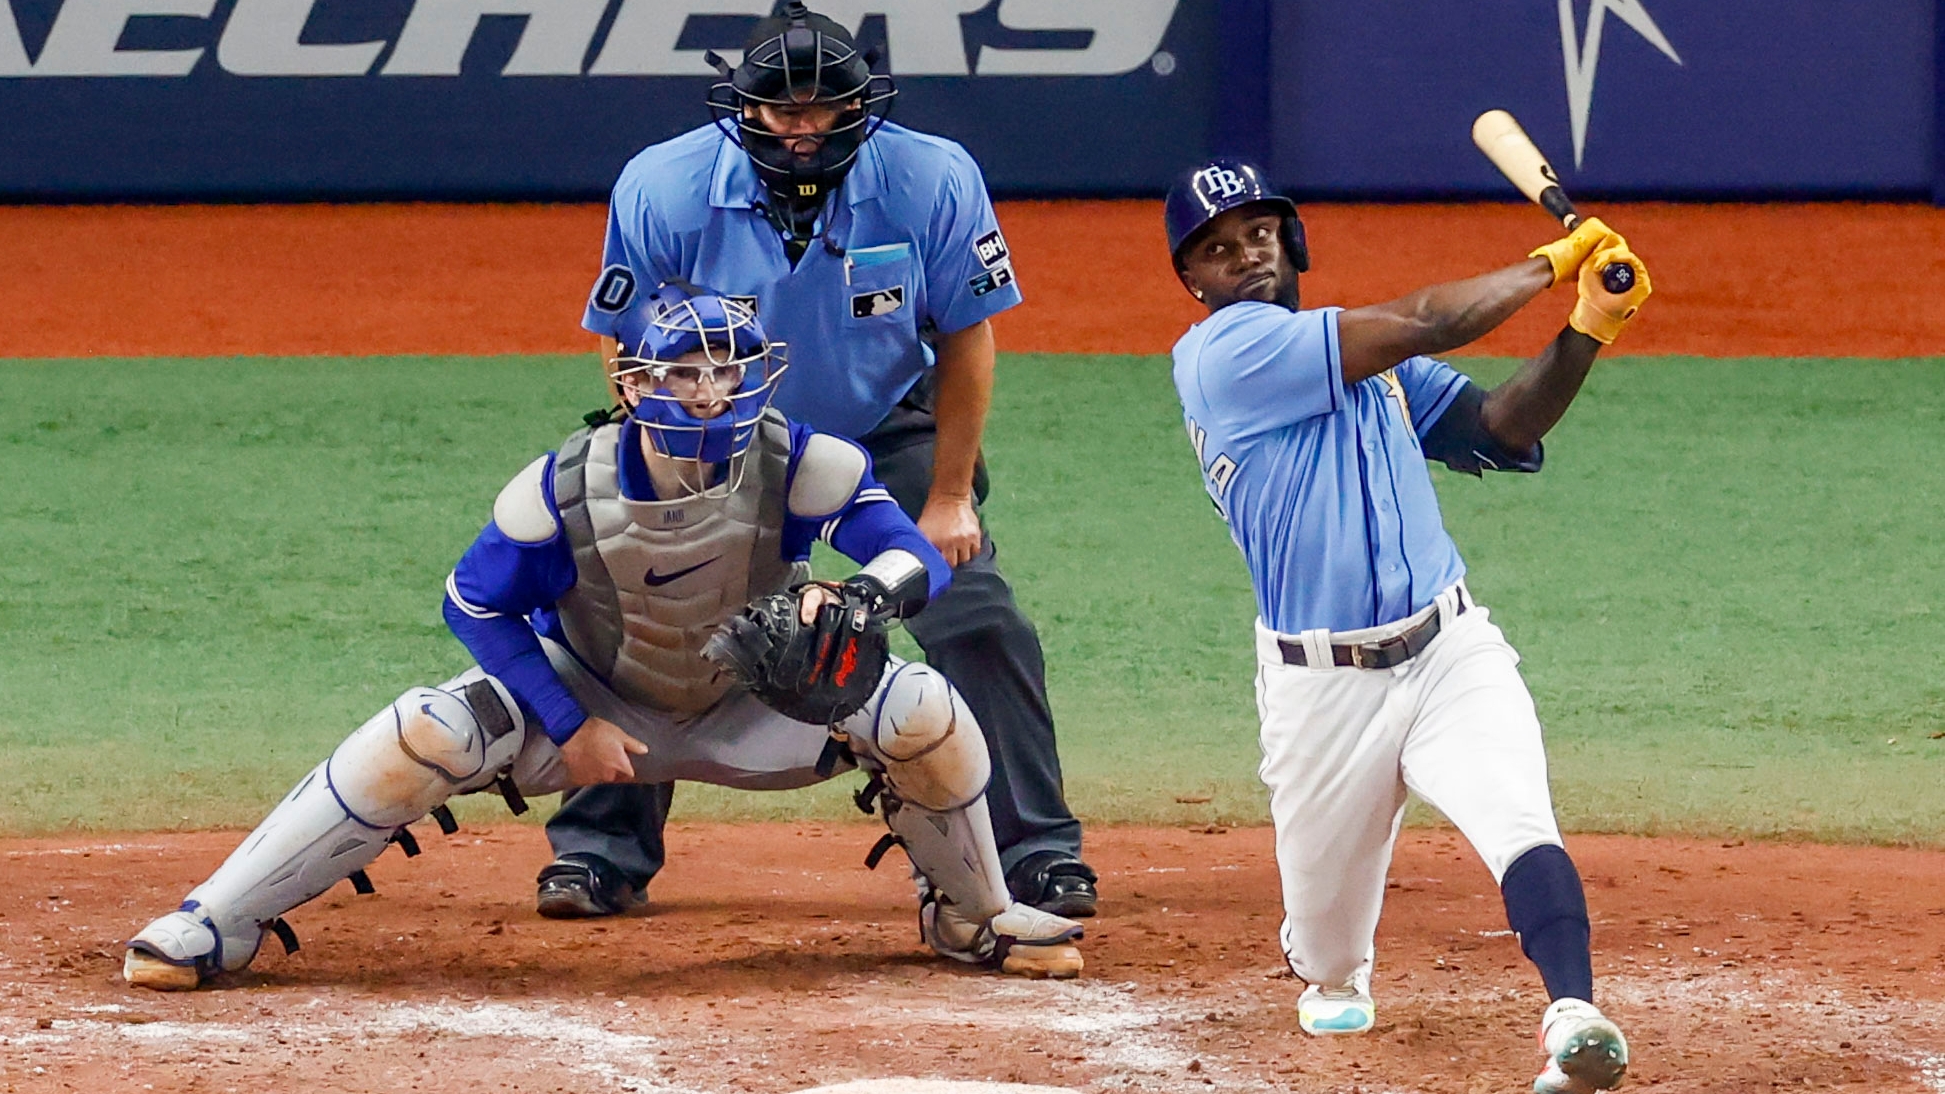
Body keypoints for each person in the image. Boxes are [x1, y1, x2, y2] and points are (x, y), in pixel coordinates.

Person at [121, 291, 1084, 991]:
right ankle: (218, 920)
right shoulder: (558, 489)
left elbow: (919, 556)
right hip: (594, 700)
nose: (709, 394)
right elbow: (474, 606)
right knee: (425, 732)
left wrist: (861, 603)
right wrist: (566, 720)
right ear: (635, 383)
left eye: (728, 370)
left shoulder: (806, 463)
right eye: (684, 372)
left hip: (760, 706)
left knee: (921, 706)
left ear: (760, 376)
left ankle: (973, 914)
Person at [548, 1, 1093, 923]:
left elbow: (966, 338)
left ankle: (1035, 847)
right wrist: (664, 446)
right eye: (782, 109)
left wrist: (951, 496)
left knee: (979, 616)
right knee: (637, 603)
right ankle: (600, 848)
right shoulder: (665, 185)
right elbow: (625, 341)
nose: (803, 128)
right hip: (718, 424)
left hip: (886, 426)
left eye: (823, 108)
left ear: (857, 103)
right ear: (745, 107)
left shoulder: (929, 176)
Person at [1162, 159, 1652, 1094]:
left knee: (1517, 818)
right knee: (1327, 957)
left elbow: (1499, 430)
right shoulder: (1223, 357)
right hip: (1319, 690)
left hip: (1447, 649)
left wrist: (1588, 326)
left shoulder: (1371, 366)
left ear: (1289, 240)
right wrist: (1554, 262)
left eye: (1259, 235)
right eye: (1219, 250)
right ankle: (1334, 969)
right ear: (1194, 280)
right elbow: (1427, 317)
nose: (1247, 258)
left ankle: (1574, 1015)